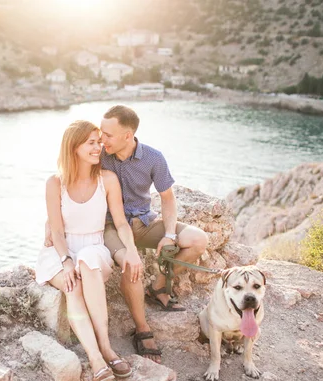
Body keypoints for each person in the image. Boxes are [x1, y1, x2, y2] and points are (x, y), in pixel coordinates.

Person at [46, 105, 209, 364]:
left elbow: (168, 199)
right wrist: (51, 227)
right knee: (130, 265)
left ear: (128, 134)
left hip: (146, 222)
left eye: (107, 135)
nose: (101, 141)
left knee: (199, 240)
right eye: (100, 136)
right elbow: (70, 183)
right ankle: (142, 328)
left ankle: (157, 287)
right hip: (112, 227)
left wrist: (169, 234)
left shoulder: (153, 158)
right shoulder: (100, 156)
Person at [36, 120, 139, 381]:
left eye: (99, 141)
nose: (99, 147)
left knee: (88, 261)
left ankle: (106, 348)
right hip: (61, 250)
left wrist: (132, 252)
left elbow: (120, 223)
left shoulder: (107, 179)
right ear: (74, 147)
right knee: (73, 284)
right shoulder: (54, 183)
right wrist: (65, 260)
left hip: (94, 247)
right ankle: (95, 359)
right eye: (91, 143)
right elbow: (56, 232)